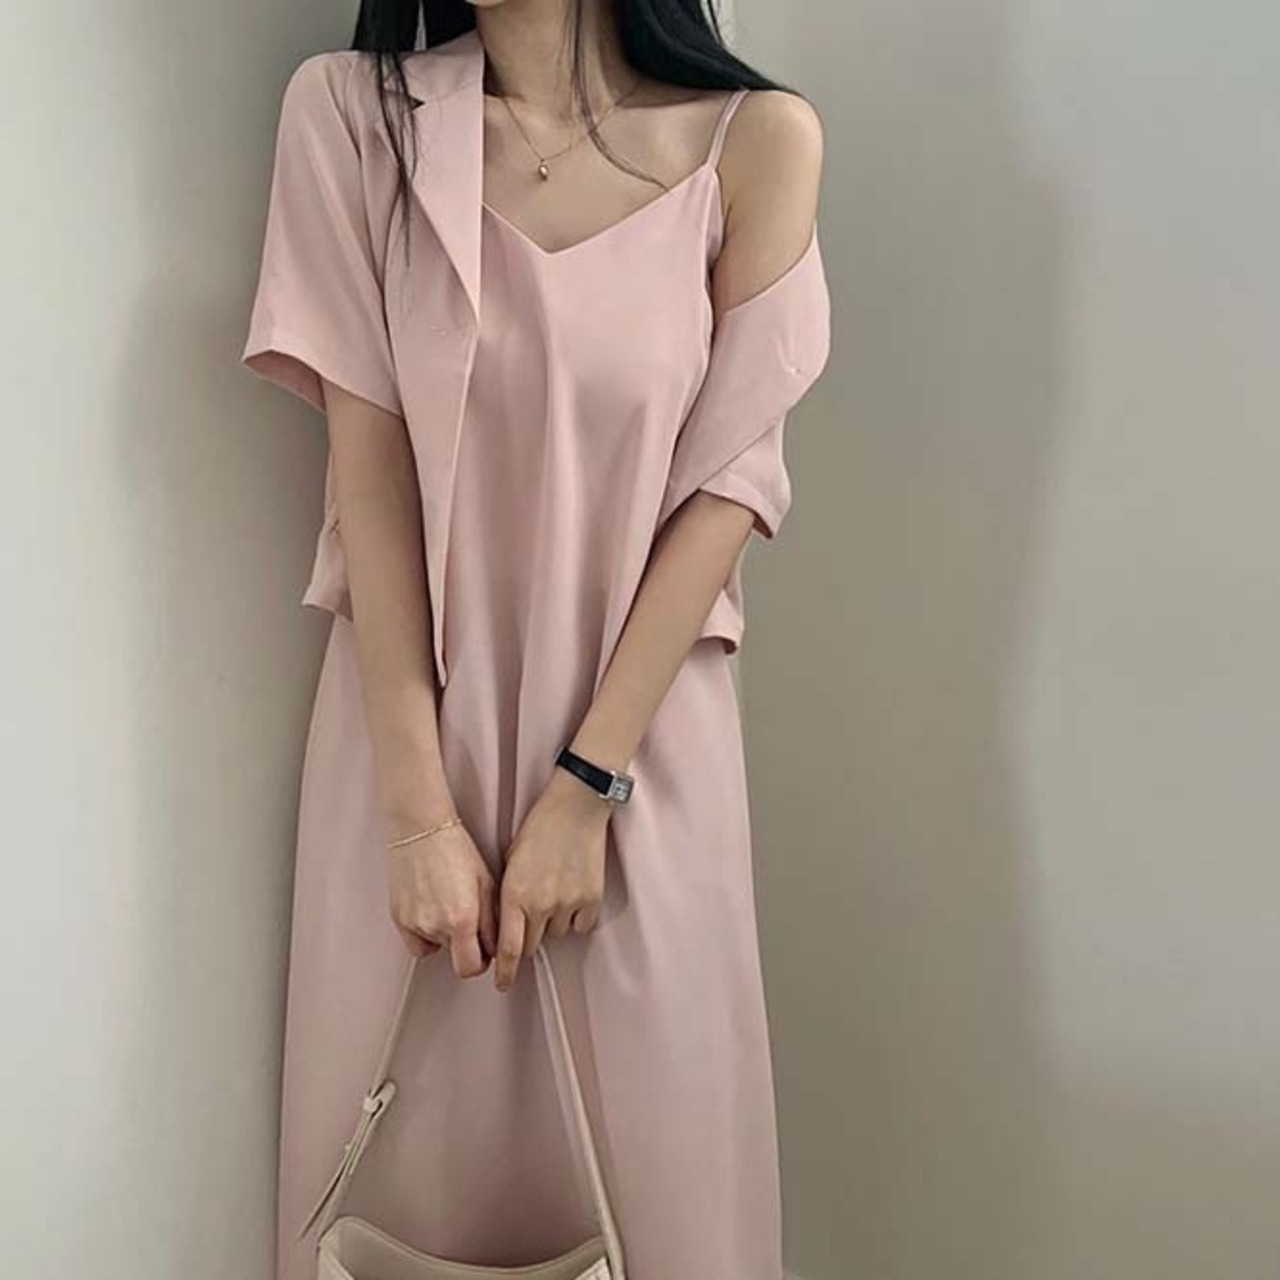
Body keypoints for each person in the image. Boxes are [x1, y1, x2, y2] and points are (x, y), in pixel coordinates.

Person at [242, 1, 830, 1276]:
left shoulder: (756, 142)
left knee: (673, 1195)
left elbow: (726, 492)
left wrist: (585, 785)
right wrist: (417, 817)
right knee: (392, 1198)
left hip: (643, 760)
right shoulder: (354, 118)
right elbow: (368, 481)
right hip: (412, 759)